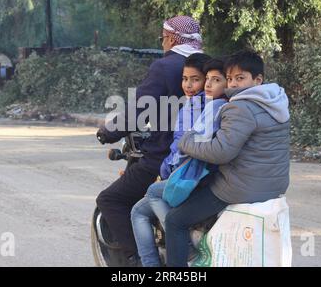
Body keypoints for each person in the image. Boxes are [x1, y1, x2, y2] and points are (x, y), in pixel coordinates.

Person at [165, 50, 291, 267]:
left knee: (175, 220)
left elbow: (221, 151)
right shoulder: (277, 102)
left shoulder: (239, 106)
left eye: (240, 78)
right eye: (230, 79)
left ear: (257, 79)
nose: (233, 85)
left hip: (240, 188)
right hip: (275, 186)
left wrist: (186, 143)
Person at [96, 16, 204, 266]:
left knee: (110, 199)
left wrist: (108, 131)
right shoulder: (207, 64)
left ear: (170, 39)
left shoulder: (165, 67)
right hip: (205, 156)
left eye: (163, 39)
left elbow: (138, 111)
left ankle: (136, 262)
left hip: (165, 157)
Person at [131, 57, 228, 267]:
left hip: (191, 175)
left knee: (141, 208)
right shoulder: (219, 104)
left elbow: (183, 146)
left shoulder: (200, 105)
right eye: (185, 79)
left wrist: (165, 170)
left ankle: (167, 257)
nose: (189, 85)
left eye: (196, 79)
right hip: (204, 174)